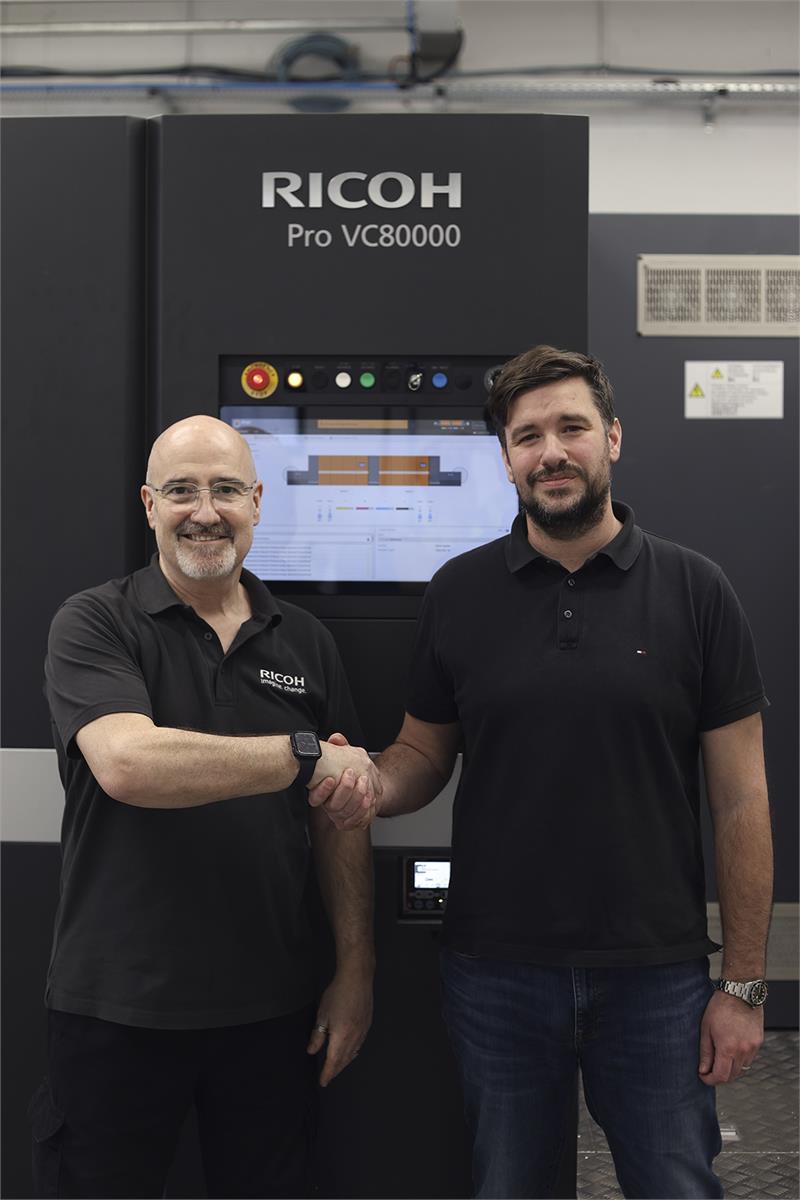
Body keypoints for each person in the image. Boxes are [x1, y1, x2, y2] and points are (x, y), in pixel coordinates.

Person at [311, 346, 773, 1200]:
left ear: (614, 438)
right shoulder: (458, 592)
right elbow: (421, 756)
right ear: (506, 458)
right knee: (509, 1185)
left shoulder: (696, 591)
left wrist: (743, 985)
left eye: (572, 428)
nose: (551, 452)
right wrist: (369, 783)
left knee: (677, 1185)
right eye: (528, 437)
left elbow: (742, 799)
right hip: (496, 974)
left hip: (656, 975)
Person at [34, 415, 380, 1200]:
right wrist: (302, 754)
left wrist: (356, 971)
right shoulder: (95, 621)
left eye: (225, 489)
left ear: (256, 502)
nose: (204, 511)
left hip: (273, 1013)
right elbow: (128, 763)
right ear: (149, 505)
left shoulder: (306, 642)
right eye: (181, 491)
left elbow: (339, 818)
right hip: (116, 1010)